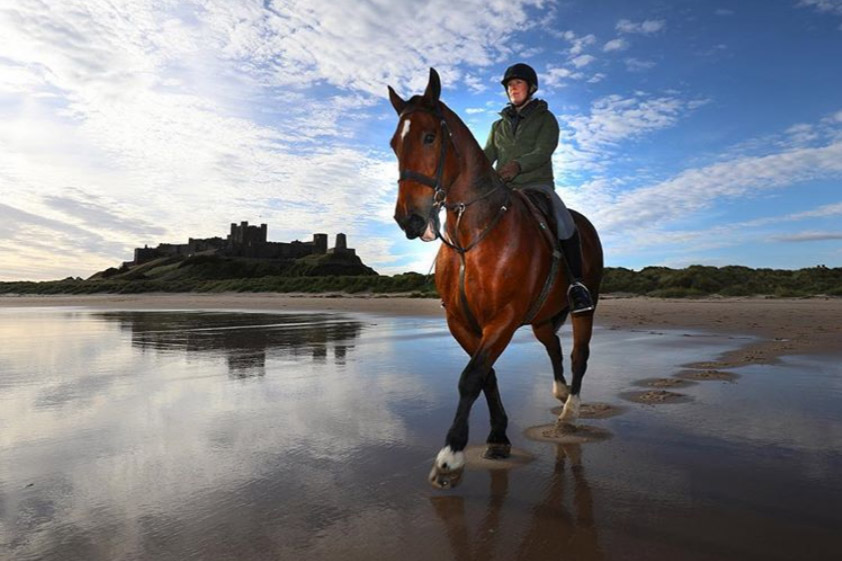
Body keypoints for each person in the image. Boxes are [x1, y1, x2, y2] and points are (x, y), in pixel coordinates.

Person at [483, 63, 594, 314]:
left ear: (531, 87)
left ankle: (577, 285)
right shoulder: (496, 126)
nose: (513, 88)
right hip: (503, 188)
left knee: (565, 223)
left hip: (537, 186)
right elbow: (487, 155)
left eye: (518, 83)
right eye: (509, 85)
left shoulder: (546, 118)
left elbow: (544, 151)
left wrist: (517, 165)